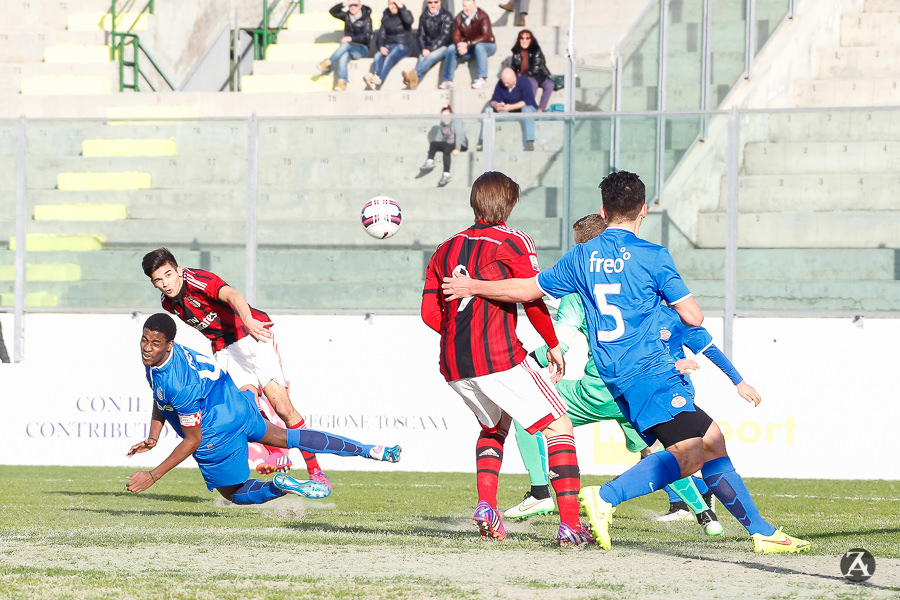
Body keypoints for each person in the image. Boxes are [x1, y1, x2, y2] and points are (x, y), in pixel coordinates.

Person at [442, 170, 811, 554]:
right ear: (644, 211)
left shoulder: (581, 256)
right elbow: (695, 317)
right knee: (691, 453)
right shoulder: (653, 256)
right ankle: (606, 497)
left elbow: (527, 288)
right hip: (650, 371)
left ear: (604, 210)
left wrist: (474, 286)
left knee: (711, 442)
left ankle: (762, 532)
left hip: (614, 374)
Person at [503, 214, 722, 537]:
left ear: (585, 247)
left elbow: (559, 342)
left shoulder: (578, 292)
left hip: (598, 389)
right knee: (657, 450)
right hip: (636, 388)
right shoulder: (632, 282)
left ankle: (539, 492)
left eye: (577, 244)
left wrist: (524, 358)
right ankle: (705, 515)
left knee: (530, 413)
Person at [421, 171, 594, 547]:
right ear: (510, 202)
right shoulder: (513, 240)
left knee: (494, 428)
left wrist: (460, 338)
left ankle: (487, 505)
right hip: (498, 357)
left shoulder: (444, 248)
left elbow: (429, 314)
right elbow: (530, 296)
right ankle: (569, 524)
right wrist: (551, 342)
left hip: (453, 363)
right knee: (558, 426)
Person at [126, 314, 401, 503]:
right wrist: (154, 436)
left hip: (215, 432)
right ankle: (370, 450)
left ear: (169, 344)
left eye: (155, 343)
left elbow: (193, 439)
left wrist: (152, 475)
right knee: (289, 437)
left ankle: (278, 485)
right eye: (144, 340)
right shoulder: (164, 357)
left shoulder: (177, 383)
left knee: (232, 493)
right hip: (239, 407)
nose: (147, 348)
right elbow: (160, 397)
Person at [141, 248, 328, 486]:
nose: (165, 283)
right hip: (224, 349)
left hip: (252, 336)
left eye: (168, 274)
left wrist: (249, 320)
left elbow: (233, 296)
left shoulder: (197, 280)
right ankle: (276, 454)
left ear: (178, 270)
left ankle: (316, 472)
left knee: (282, 407)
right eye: (158, 280)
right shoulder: (168, 304)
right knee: (245, 406)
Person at [653, 304, 761, 524]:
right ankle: (699, 491)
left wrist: (739, 382)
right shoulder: (634, 316)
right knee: (658, 452)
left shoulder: (677, 318)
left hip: (675, 392)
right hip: (646, 391)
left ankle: (687, 507)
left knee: (656, 451)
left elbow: (710, 350)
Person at [440, 0, 496, 90]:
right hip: (469, 47)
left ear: (475, 6)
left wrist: (468, 44)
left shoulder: (482, 16)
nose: (467, 9)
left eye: (470, 6)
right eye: (465, 6)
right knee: (451, 48)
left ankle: (482, 80)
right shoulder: (459, 18)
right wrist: (460, 45)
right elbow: (455, 36)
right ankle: (448, 80)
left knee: (479, 47)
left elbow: (486, 36)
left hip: (487, 45)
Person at [318, 1, 373, 91]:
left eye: (355, 5)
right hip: (349, 48)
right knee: (343, 55)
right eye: (351, 5)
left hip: (362, 49)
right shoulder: (347, 16)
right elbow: (333, 12)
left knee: (346, 45)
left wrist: (351, 38)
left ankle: (328, 62)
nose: (352, 7)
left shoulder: (366, 18)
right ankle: (342, 82)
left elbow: (367, 37)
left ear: (360, 6)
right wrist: (345, 3)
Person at [403, 0, 454, 90]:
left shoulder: (447, 16)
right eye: (430, 2)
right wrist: (423, 49)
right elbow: (420, 35)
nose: (433, 5)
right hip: (428, 48)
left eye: (435, 2)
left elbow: (444, 37)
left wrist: (430, 49)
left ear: (440, 3)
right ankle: (412, 86)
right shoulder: (424, 16)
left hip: (444, 47)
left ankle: (413, 73)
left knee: (430, 56)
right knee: (422, 58)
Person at [365, 0, 414, 90]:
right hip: (389, 46)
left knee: (390, 57)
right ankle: (374, 81)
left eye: (395, 3)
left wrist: (401, 7)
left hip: (403, 45)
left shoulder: (405, 13)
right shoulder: (386, 16)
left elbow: (409, 21)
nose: (393, 6)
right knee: (378, 55)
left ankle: (379, 80)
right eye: (391, 4)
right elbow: (381, 34)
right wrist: (381, 46)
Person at [489, 67, 538, 151]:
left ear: (514, 78)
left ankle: (529, 141)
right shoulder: (500, 84)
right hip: (509, 111)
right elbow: (493, 100)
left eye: (507, 83)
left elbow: (526, 102)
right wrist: (497, 105)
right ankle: (485, 141)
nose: (505, 85)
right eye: (504, 82)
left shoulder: (524, 82)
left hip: (527, 108)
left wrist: (510, 107)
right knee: (489, 111)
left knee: (527, 110)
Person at [419, 104, 468, 187]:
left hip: (460, 144)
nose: (444, 117)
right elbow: (439, 137)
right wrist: (433, 149)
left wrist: (457, 149)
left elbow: (459, 135)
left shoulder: (457, 122)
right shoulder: (442, 124)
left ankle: (446, 175)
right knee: (433, 143)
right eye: (443, 116)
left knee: (446, 148)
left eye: (447, 115)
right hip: (448, 144)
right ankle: (429, 162)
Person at [510, 29, 553, 112]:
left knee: (550, 85)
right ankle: (530, 106)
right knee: (532, 83)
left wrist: (525, 75)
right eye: (522, 38)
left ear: (531, 39)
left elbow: (536, 67)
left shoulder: (536, 50)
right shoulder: (516, 52)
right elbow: (514, 67)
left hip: (538, 74)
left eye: (527, 38)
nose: (524, 41)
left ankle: (541, 109)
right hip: (525, 76)